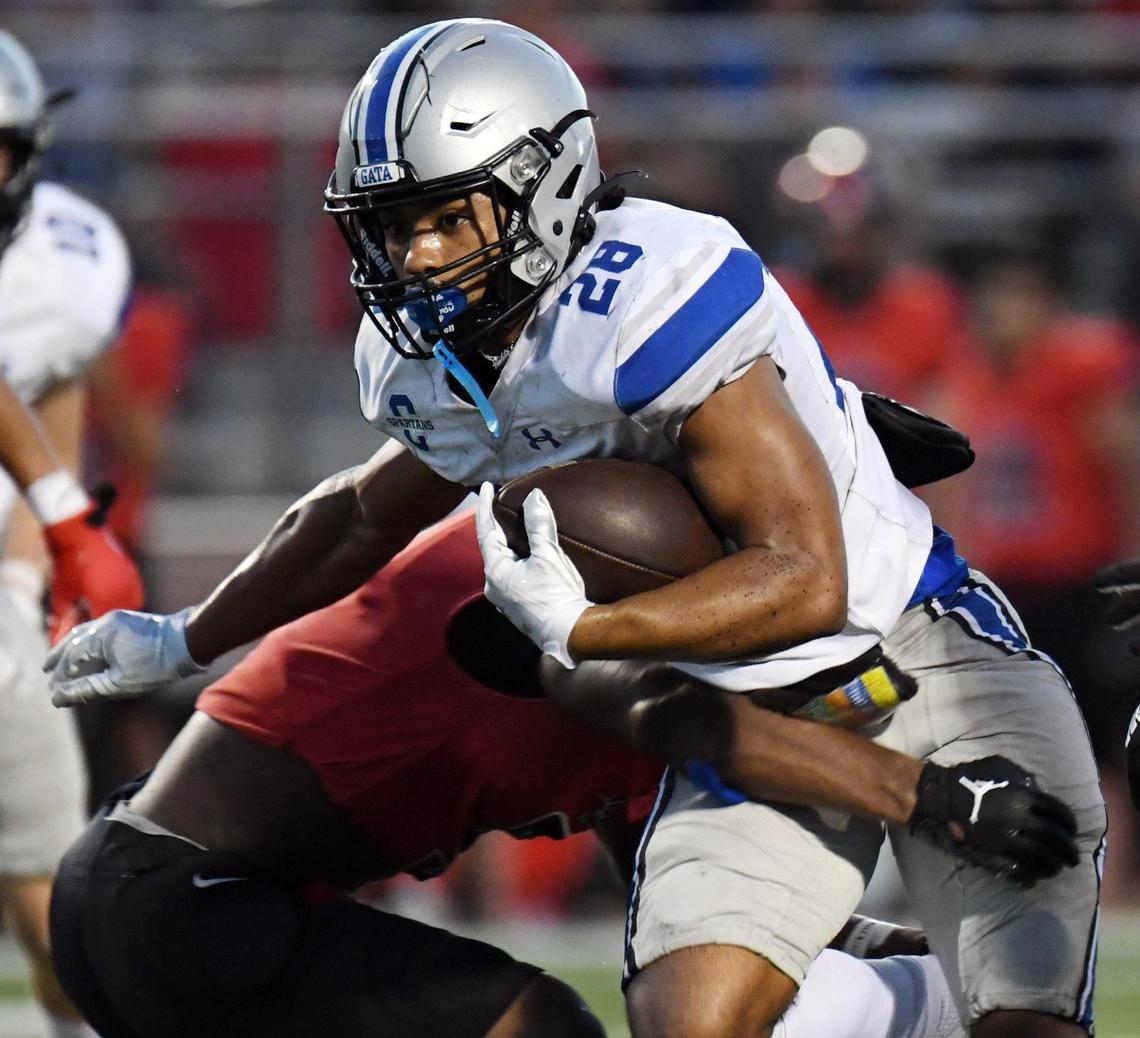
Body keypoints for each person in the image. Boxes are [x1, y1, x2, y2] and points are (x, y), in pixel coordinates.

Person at [46, 18, 1100, 1038]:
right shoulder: (480, 433)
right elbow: (362, 513)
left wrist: (586, 630)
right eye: (394, 222)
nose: (413, 256)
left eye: (447, 217)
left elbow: (804, 583)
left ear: (544, 186)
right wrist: (185, 634)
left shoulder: (645, 300)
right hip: (728, 690)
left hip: (911, 638)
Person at [51, 510, 963, 1038]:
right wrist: (922, 795)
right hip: (189, 899)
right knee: (542, 1027)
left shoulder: (637, 653)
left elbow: (678, 900)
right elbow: (649, 705)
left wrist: (872, 948)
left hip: (151, 898)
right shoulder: (555, 573)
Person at [0, 31, 143, 1038]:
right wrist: (61, 517)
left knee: (51, 899)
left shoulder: (70, 259)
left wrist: (32, 568)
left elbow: (52, 394)